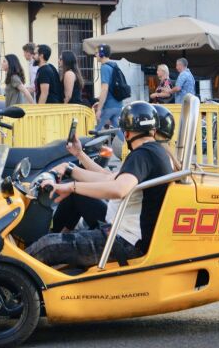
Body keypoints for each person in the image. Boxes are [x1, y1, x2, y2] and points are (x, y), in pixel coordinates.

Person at [26, 101, 173, 268]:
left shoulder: (143, 155)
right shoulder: (154, 153)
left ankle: (16, 276)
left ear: (127, 133)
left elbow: (119, 189)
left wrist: (71, 186)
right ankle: (58, 243)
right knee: (76, 198)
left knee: (47, 246)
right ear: (153, 130)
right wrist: (74, 163)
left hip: (126, 241)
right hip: (124, 229)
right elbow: (109, 178)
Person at [94, 44, 124, 138]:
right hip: (118, 105)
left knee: (96, 130)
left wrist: (99, 109)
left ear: (102, 54)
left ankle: (89, 151)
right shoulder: (114, 66)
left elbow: (105, 89)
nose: (95, 55)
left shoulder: (104, 67)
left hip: (109, 106)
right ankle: (126, 147)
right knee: (117, 129)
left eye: (96, 53)